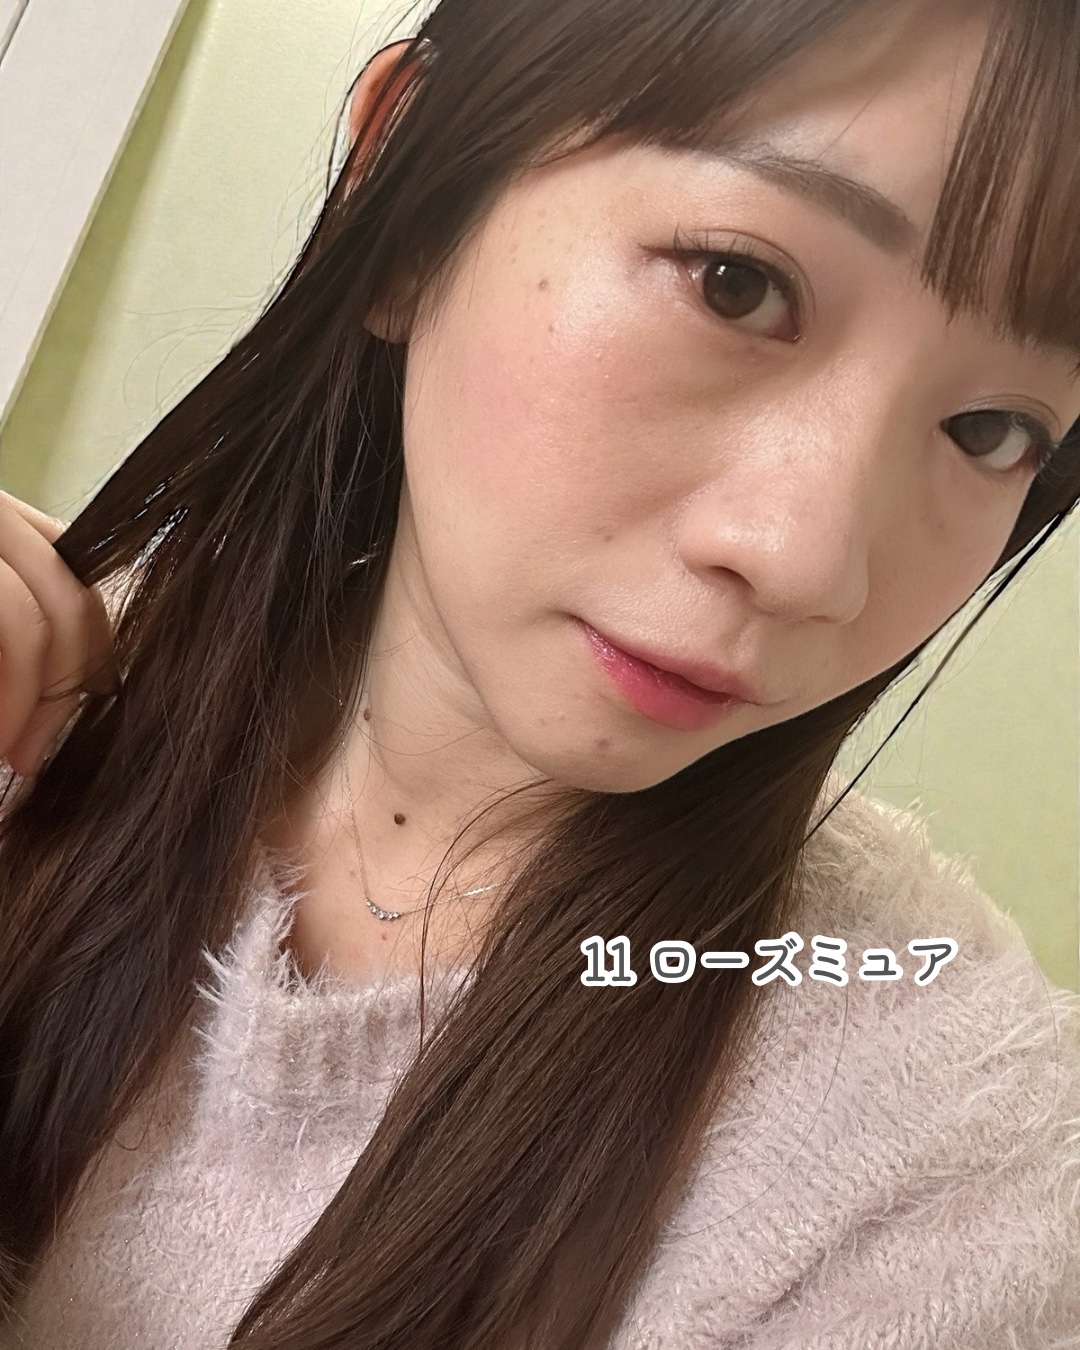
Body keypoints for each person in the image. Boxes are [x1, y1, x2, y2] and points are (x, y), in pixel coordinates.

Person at [0, 0, 1078, 1344]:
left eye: (992, 429)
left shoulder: (945, 1175)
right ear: (404, 199)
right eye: (736, 283)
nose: (813, 562)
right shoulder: (34, 714)